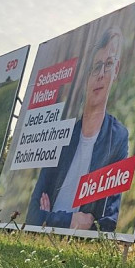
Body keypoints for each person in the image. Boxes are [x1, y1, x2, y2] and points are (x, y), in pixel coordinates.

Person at [26, 27, 129, 232]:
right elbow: (32, 215)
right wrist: (70, 221)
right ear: (86, 76)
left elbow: (107, 222)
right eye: (96, 66)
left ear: (116, 70)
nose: (100, 75)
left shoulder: (117, 137)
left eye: (108, 65)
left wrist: (50, 217)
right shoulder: (63, 136)